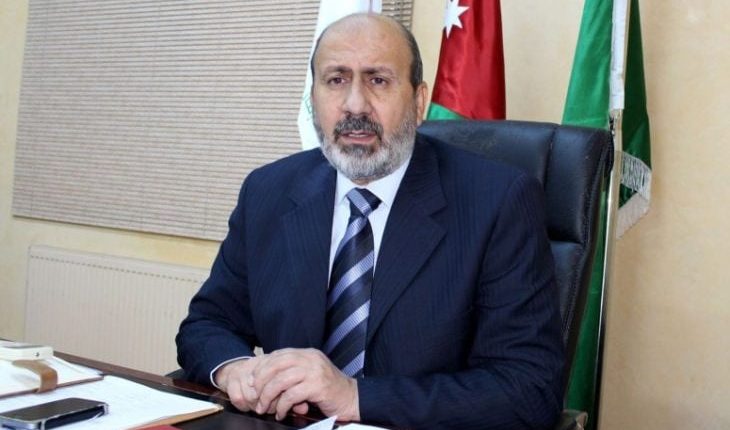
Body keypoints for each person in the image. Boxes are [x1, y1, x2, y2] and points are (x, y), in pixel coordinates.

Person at [176, 13, 564, 430]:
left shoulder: (497, 202)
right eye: (336, 80)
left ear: (418, 102)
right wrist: (235, 370)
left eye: (378, 80)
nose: (355, 105)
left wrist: (355, 397)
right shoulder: (268, 191)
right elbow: (207, 323)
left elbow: (530, 388)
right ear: (312, 98)